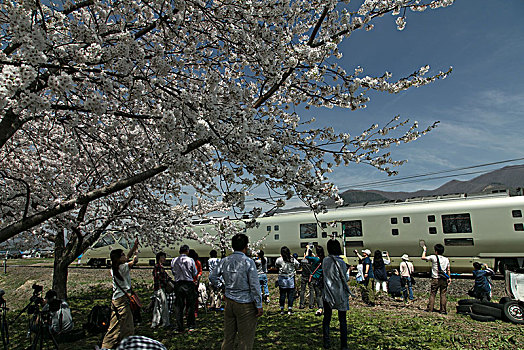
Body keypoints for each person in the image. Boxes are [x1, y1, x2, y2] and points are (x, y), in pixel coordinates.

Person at [209, 233, 263, 350]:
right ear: (246, 246)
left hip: (229, 302)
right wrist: (258, 304)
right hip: (245, 303)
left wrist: (222, 287)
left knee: (228, 337)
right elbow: (254, 285)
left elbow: (212, 277)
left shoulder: (224, 261)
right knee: (245, 339)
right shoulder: (248, 262)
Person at [101, 237, 139, 349]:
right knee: (128, 326)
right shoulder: (123, 267)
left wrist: (133, 247)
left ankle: (106, 346)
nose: (125, 256)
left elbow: (127, 257)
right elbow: (134, 260)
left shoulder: (114, 268)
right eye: (122, 255)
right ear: (118, 258)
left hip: (115, 299)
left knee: (114, 326)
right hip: (123, 300)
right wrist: (136, 252)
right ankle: (127, 346)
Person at [322, 239, 350, 350]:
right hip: (340, 294)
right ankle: (344, 345)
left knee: (327, 319)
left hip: (328, 293)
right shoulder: (342, 263)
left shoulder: (325, 261)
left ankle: (326, 342)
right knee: (342, 320)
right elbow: (345, 278)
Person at [171, 245, 198, 332]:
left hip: (178, 284)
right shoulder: (190, 260)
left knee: (179, 306)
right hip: (188, 283)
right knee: (190, 305)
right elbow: (195, 273)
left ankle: (179, 326)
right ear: (187, 251)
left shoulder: (174, 260)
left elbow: (173, 272)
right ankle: (190, 325)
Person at [422, 243, 451, 314]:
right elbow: (448, 270)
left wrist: (424, 250)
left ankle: (430, 309)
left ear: (436, 251)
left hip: (435, 278)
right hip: (444, 279)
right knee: (443, 294)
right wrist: (449, 278)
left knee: (433, 294)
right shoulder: (446, 259)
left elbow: (423, 257)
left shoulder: (434, 257)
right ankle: (443, 310)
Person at [275, 246, 300, 315]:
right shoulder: (292, 259)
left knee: (282, 295)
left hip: (282, 278)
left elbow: (276, 265)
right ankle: (289, 309)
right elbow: (298, 265)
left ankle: (282, 309)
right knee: (290, 295)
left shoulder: (279, 259)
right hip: (290, 278)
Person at [151, 252, 171, 328]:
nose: (164, 259)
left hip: (158, 288)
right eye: (163, 257)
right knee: (163, 305)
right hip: (160, 288)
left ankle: (155, 322)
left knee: (157, 306)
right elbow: (159, 277)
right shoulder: (158, 267)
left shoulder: (159, 267)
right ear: (159, 258)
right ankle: (165, 323)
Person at [306, 245, 325, 316]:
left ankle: (320, 308)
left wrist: (308, 249)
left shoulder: (315, 259)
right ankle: (324, 307)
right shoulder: (324, 258)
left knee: (318, 294)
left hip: (315, 278)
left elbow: (306, 257)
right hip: (322, 278)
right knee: (322, 293)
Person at [188, 249, 203, 318]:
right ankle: (188, 311)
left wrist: (198, 278)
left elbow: (200, 271)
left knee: (194, 297)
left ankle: (195, 311)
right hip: (188, 281)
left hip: (195, 281)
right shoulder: (187, 262)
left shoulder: (197, 262)